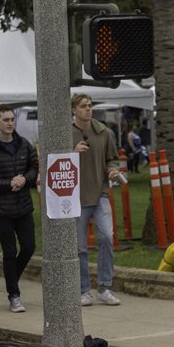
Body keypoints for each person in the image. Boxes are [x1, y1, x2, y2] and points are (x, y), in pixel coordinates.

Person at [0, 106, 39, 313]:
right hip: (1, 209)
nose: (10, 123)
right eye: (6, 120)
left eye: (12, 119)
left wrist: (24, 179)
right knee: (9, 252)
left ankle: (11, 277)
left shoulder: (24, 144)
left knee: (29, 247)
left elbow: (34, 168)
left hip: (23, 206)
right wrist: (8, 183)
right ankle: (14, 295)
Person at [70, 95, 124, 306]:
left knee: (107, 237)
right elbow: (55, 162)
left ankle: (104, 287)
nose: (88, 109)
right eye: (83, 106)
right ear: (73, 110)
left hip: (100, 194)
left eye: (90, 106)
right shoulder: (66, 134)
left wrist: (112, 170)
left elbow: (113, 159)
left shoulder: (104, 132)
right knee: (79, 247)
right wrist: (72, 153)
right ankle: (83, 290)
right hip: (76, 198)